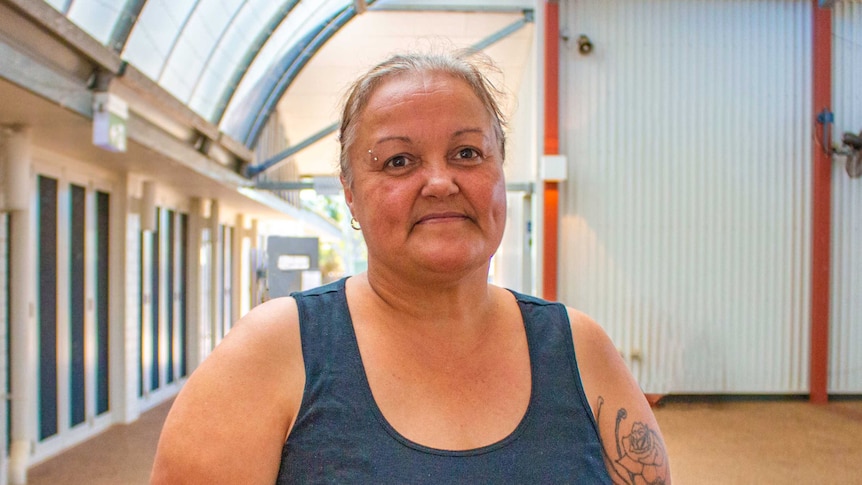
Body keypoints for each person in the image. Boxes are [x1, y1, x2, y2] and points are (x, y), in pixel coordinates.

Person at [151, 51, 670, 484]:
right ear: (350, 194)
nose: (441, 182)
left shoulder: (579, 348)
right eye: (398, 161)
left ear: (500, 173)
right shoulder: (270, 352)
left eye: (468, 152)